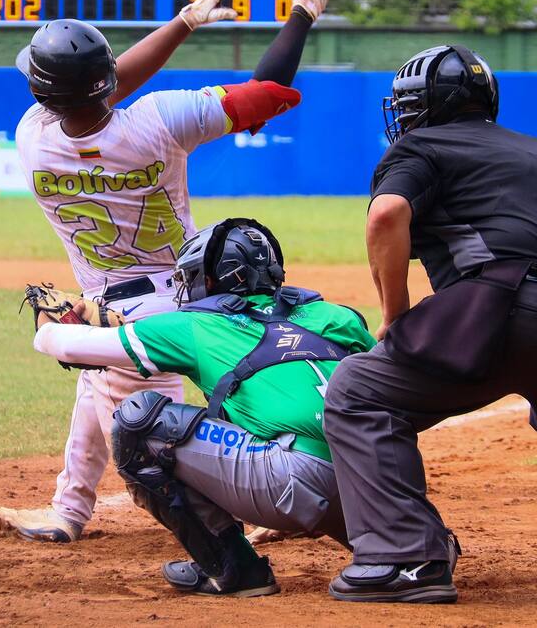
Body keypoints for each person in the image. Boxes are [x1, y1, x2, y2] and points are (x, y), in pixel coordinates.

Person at [0, 0, 335, 544]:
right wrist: (301, 12)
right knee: (112, 403)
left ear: (42, 93)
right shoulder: (160, 121)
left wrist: (183, 22)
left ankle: (250, 515)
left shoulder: (33, 137)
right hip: (188, 296)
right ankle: (69, 511)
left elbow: (95, 90)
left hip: (111, 307)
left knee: (153, 446)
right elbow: (268, 94)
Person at [324, 45, 537, 604]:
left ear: (424, 106)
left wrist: (395, 316)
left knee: (358, 392)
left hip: (506, 311)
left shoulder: (421, 147)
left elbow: (386, 214)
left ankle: (406, 559)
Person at [30, 218, 377, 597]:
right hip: (376, 486)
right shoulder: (336, 315)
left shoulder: (194, 326)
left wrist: (46, 327)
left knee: (140, 423)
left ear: (210, 280)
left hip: (294, 484)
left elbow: (68, 345)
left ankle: (234, 569)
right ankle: (400, 550)